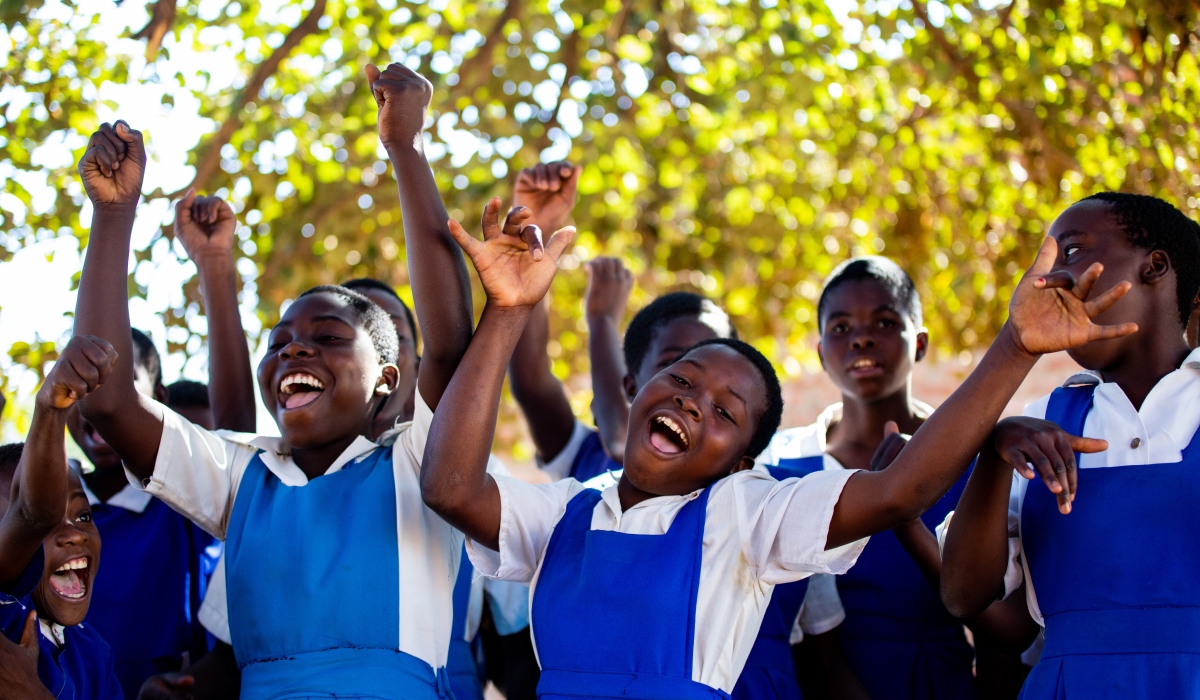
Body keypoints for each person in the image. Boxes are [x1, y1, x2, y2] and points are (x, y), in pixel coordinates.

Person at [419, 178, 1134, 698]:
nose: (694, 403)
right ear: (641, 392)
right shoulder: (565, 513)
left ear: (742, 462)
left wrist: (1016, 344)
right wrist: (509, 310)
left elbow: (898, 491)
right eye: (682, 377)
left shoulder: (746, 515)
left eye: (727, 414)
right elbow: (450, 487)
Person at [69, 60, 484, 698]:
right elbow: (110, 400)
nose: (295, 353)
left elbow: (452, 342)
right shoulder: (244, 480)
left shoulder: (417, 461)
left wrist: (406, 145)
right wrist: (113, 216)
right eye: (280, 344)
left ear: (389, 379)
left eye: (328, 339)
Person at [941, 193, 1200, 699]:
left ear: (1156, 267)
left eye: (1073, 252)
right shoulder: (1038, 422)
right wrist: (995, 453)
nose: (1052, 278)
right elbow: (963, 595)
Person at [759, 257, 1035, 700]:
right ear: (820, 352)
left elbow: (1003, 637)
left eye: (885, 323)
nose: (862, 338)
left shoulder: (975, 463)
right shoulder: (782, 463)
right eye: (841, 328)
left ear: (920, 343)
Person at [67, 328, 220, 700]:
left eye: (121, 381)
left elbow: (237, 422)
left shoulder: (182, 501)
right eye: (78, 383)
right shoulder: (45, 507)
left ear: (159, 397)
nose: (97, 400)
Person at [0, 335, 124, 700]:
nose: (73, 534)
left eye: (83, 516)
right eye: (51, 521)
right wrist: (50, 410)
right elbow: (31, 514)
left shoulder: (93, 651)